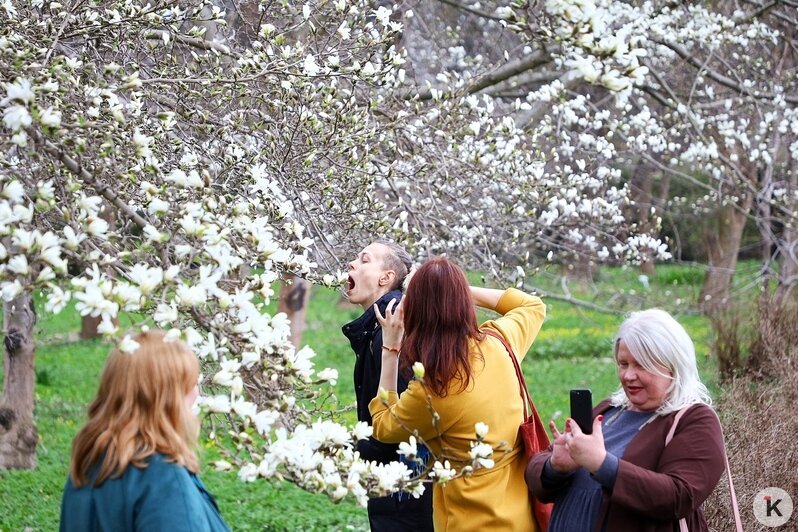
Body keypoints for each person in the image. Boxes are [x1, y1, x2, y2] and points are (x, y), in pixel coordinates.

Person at [368, 257, 547, 531]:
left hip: (470, 522)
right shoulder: (500, 342)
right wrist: (453, 289)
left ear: (416, 312)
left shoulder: (432, 388)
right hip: (523, 517)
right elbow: (532, 305)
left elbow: (383, 426)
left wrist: (390, 349)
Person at [526, 309, 726, 532]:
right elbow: (536, 475)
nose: (628, 375)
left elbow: (679, 496)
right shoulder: (610, 409)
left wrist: (602, 463)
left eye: (641, 365)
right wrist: (555, 466)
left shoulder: (694, 420)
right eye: (623, 364)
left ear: (673, 365)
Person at [60, 330, 229, 532]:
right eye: (189, 385)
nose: (197, 393)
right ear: (164, 400)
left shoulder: (91, 463)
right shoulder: (163, 480)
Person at [342, 240, 434, 531]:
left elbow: (406, 419)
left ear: (386, 278)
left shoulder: (393, 328)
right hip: (397, 482)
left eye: (364, 260)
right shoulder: (379, 326)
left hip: (405, 488)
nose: (352, 264)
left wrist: (358, 450)